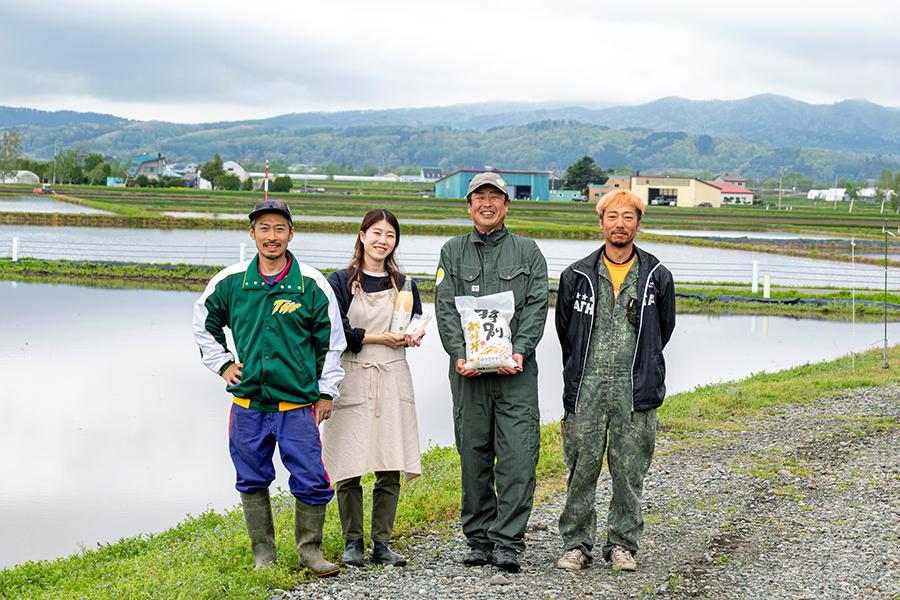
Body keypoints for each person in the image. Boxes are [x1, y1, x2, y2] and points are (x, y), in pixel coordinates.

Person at [192, 199, 347, 577]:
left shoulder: (311, 285)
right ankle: (264, 554)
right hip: (248, 405)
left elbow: (332, 342)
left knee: (311, 477)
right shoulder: (231, 282)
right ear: (252, 234)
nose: (272, 236)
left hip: (296, 405)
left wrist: (327, 392)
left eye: (279, 229)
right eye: (264, 228)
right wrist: (224, 364)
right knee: (251, 477)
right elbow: (203, 322)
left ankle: (309, 551)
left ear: (291, 234)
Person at [554, 189, 675, 573]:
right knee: (581, 469)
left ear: (638, 223)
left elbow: (664, 329)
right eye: (612, 216)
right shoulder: (576, 275)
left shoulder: (657, 276)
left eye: (628, 216)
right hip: (587, 386)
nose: (619, 224)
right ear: (601, 222)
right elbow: (565, 331)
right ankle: (577, 544)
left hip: (635, 388)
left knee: (629, 471)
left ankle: (622, 544)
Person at [434, 172, 549, 573]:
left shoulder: (528, 251)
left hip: (516, 373)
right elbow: (445, 307)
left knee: (518, 456)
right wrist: (458, 353)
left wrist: (520, 351)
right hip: (468, 373)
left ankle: (508, 541)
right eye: (479, 197)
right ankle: (479, 537)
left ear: (506, 205)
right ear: (468, 206)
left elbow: (537, 305)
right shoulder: (451, 252)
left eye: (495, 197)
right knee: (473, 453)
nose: (487, 203)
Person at [321, 209, 423, 568]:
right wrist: (381, 337)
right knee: (348, 461)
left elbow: (414, 323)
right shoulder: (339, 281)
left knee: (389, 460)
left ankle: (382, 542)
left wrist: (413, 337)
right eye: (376, 233)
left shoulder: (406, 284)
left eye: (390, 235)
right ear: (362, 235)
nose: (383, 241)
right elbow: (335, 334)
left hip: (393, 374)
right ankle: (353, 542)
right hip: (351, 375)